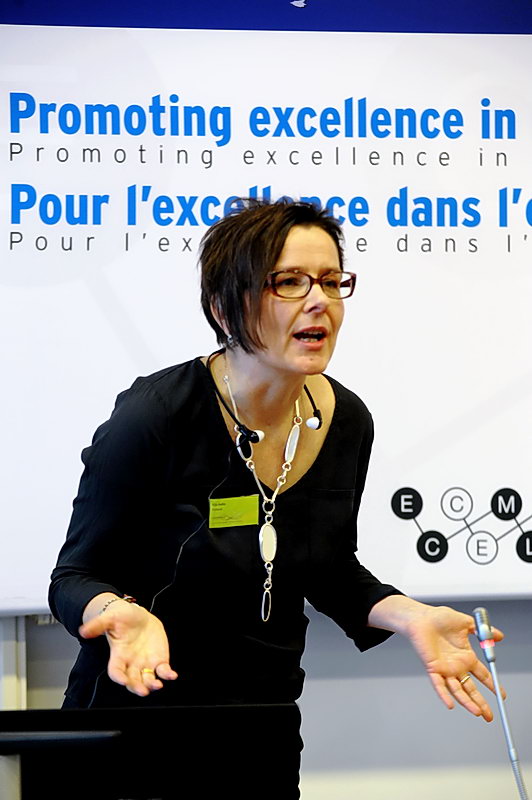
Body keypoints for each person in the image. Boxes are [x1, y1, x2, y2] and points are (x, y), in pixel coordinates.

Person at [49, 198, 503, 799]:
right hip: (136, 720)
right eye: (288, 282)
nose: (319, 301)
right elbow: (73, 576)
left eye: (331, 281)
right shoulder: (155, 416)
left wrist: (409, 615)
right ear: (224, 307)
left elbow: (329, 569)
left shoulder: (346, 421)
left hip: (262, 727)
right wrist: (117, 610)